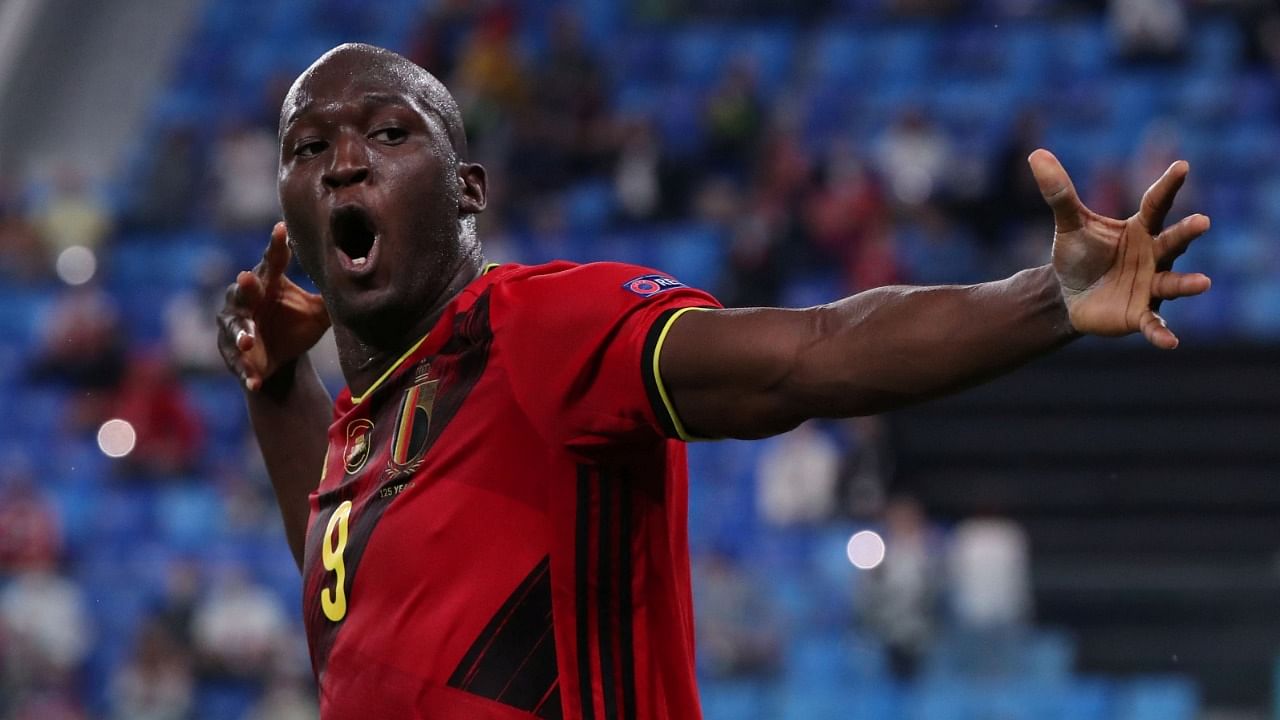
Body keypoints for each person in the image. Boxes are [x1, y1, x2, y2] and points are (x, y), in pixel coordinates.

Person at [216, 43, 1212, 720]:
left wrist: (1045, 301)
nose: (344, 163)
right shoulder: (362, 428)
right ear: (288, 208)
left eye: (388, 135)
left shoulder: (535, 329)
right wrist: (274, 388)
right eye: (309, 149)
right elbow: (355, 628)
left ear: (469, 191)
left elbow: (807, 354)